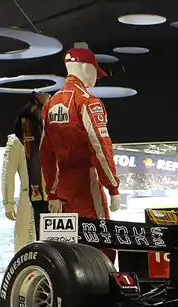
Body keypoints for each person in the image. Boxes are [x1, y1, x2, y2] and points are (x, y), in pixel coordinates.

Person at [41, 48, 121, 221]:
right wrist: (113, 187)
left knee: (70, 242)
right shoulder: (87, 101)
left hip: (64, 187)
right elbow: (100, 148)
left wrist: (52, 192)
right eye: (95, 71)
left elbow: (46, 153)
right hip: (87, 184)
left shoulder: (50, 104)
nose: (96, 77)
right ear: (86, 69)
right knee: (98, 240)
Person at [14, 91, 50, 237]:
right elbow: (39, 149)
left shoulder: (31, 113)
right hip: (42, 181)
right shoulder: (31, 114)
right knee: (44, 224)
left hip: (40, 181)